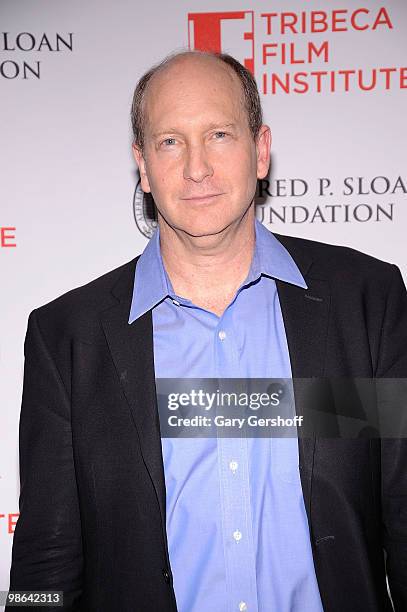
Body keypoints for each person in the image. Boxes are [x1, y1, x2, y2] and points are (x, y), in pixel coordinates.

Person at [7, 50, 407, 612]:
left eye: (219, 134)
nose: (197, 167)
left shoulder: (365, 303)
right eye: (170, 141)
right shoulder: (68, 339)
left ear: (260, 150)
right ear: (143, 165)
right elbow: (42, 564)